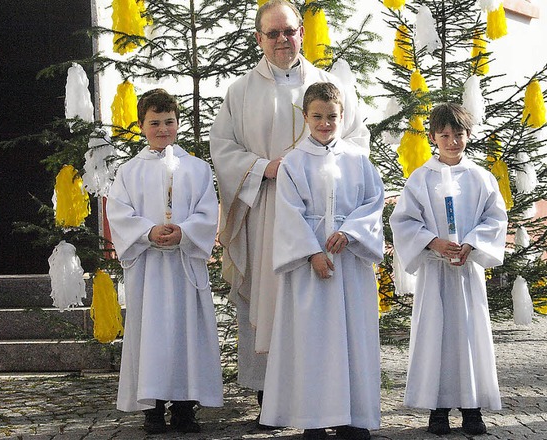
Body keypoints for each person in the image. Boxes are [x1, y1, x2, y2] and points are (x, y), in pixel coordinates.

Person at [209, 0, 369, 424]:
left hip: (326, 218)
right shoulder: (241, 91)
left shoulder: (330, 84)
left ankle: (329, 392)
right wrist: (265, 168)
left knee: (321, 306)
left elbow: (357, 140)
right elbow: (223, 148)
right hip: (265, 210)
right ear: (259, 38)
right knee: (268, 296)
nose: (282, 40)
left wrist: (318, 169)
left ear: (302, 32)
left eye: (289, 31)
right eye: (272, 33)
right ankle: (271, 394)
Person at [259, 82, 384, 440]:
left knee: (351, 340)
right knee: (311, 343)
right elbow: (287, 212)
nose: (325, 123)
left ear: (342, 116)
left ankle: (352, 417)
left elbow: (372, 204)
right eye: (317, 116)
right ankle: (313, 419)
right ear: (305, 117)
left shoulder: (359, 160)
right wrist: (312, 252)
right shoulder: (294, 162)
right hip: (310, 270)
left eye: (332, 116)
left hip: (350, 264)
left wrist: (352, 233)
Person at [106, 88, 223, 434]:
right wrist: (148, 232)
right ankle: (153, 409)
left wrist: (185, 232)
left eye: (169, 121)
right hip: (150, 269)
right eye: (154, 122)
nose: (162, 129)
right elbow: (119, 212)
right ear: (141, 125)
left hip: (185, 267)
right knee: (151, 337)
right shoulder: (129, 172)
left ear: (178, 123)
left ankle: (186, 409)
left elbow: (208, 210)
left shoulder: (197, 168)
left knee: (187, 335)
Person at [389, 103, 508, 436]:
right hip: (435, 271)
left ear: (468, 135)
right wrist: (432, 242)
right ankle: (437, 409)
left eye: (458, 134)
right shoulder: (420, 178)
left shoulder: (481, 178)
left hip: (466, 273)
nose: (452, 141)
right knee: (435, 337)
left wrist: (470, 243)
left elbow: (495, 219)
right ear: (432, 137)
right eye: (445, 135)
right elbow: (403, 221)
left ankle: (472, 409)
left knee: (469, 337)